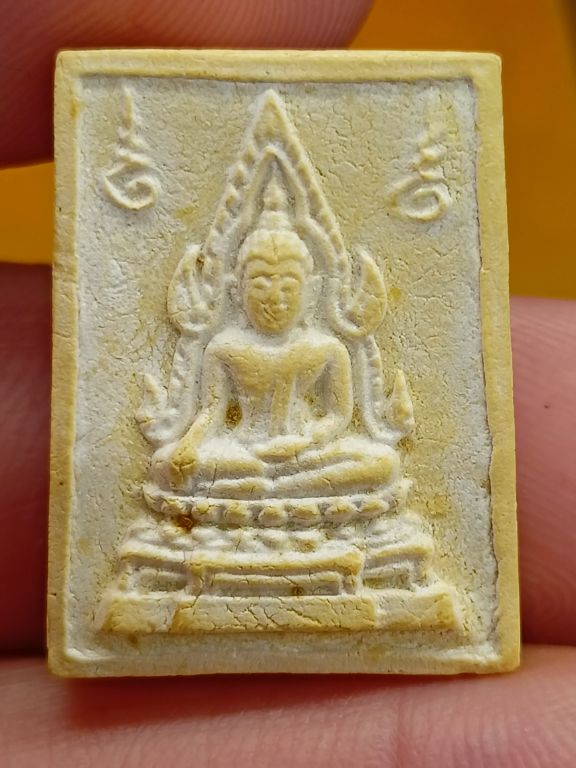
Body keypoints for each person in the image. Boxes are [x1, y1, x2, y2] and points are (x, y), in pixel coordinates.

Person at [1, 2, 575, 765]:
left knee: (374, 465)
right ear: (236, 287)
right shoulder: (225, 344)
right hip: (239, 470)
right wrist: (196, 448)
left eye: (286, 281)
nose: (272, 294)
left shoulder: (326, 348)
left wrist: (302, 446)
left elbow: (343, 425)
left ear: (310, 285)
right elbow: (206, 421)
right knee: (181, 469)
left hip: (311, 468)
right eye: (259, 281)